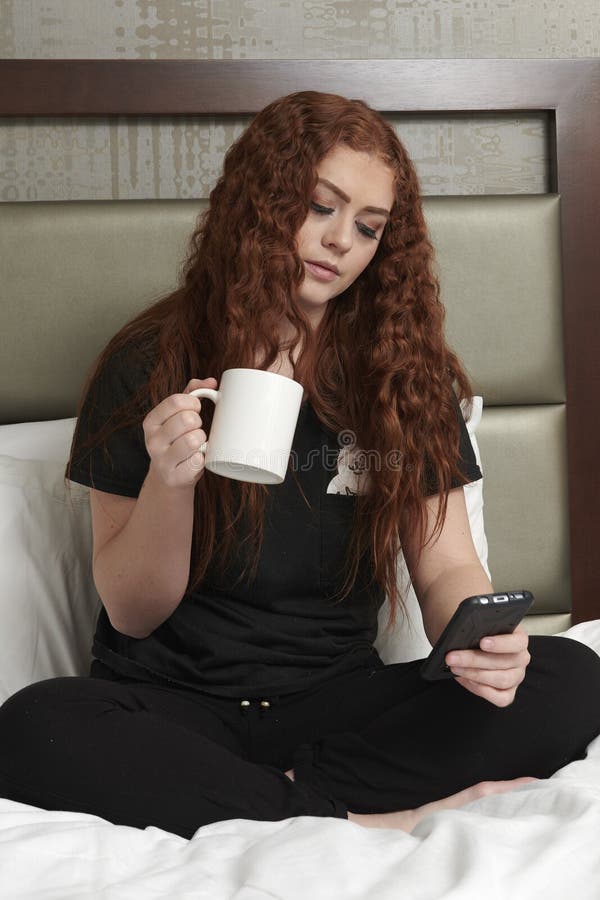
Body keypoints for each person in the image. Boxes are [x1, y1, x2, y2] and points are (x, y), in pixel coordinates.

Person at [0, 90, 599, 838]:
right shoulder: (148, 362)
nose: (340, 241)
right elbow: (132, 610)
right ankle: (360, 817)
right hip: (176, 705)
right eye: (320, 206)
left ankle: (273, 801)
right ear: (263, 201)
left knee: (571, 678)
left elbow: (445, 566)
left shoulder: (400, 375)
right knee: (35, 725)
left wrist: (481, 647)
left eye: (368, 226)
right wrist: (172, 480)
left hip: (333, 704)